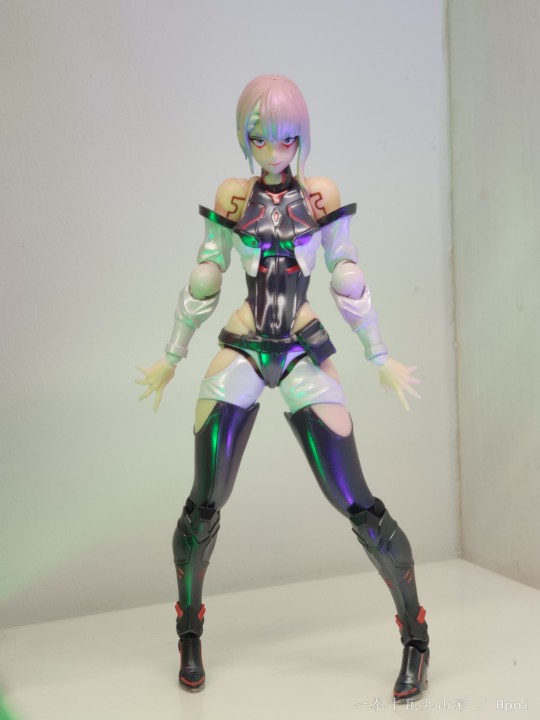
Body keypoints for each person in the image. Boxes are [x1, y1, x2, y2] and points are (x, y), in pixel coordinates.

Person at [136, 75, 429, 701]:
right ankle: (189, 631)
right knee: (205, 501)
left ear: (301, 138)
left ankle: (416, 637)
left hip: (302, 347)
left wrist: (379, 354)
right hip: (243, 344)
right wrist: (171, 355)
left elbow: (346, 273)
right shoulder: (233, 197)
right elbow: (207, 274)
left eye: (286, 139)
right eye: (260, 140)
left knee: (356, 501)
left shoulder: (320, 196)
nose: (274, 152)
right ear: (246, 138)